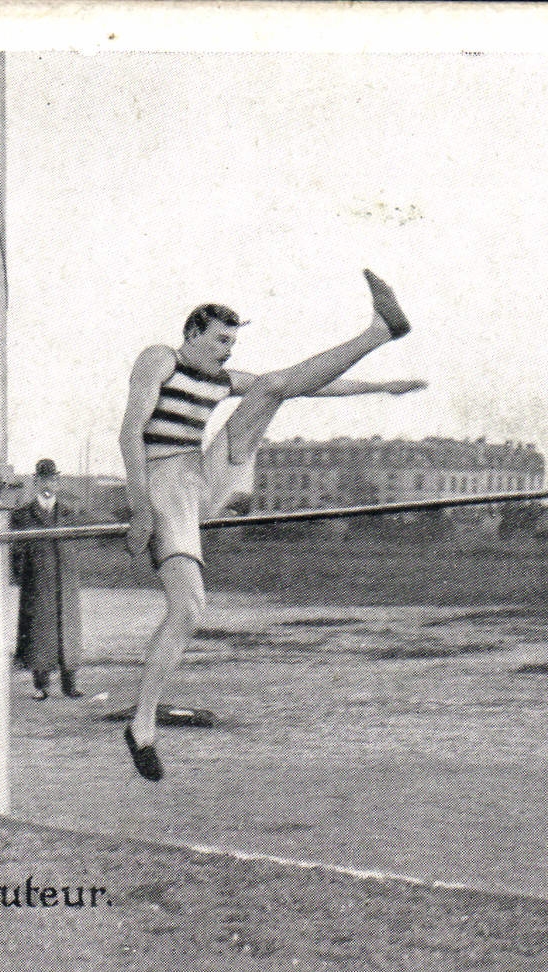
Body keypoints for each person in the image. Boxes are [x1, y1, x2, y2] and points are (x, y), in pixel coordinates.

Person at [118, 269, 424, 780]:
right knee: (189, 609)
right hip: (163, 482)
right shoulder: (158, 359)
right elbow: (130, 435)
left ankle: (378, 333)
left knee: (274, 387)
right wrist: (140, 512)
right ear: (191, 334)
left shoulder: (220, 379)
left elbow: (308, 387)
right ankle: (142, 724)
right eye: (220, 340)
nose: (227, 352)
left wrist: (382, 388)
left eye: (233, 343)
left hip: (201, 479)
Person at [12, 459, 86, 701]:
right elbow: (17, 551)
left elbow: (76, 545)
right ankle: (41, 685)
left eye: (52, 480)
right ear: (35, 482)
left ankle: (69, 684)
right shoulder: (23, 514)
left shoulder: (68, 512)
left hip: (65, 580)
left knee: (68, 630)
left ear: (58, 482)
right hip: (38, 581)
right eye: (43, 480)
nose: (48, 485)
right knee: (39, 632)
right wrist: (22, 575)